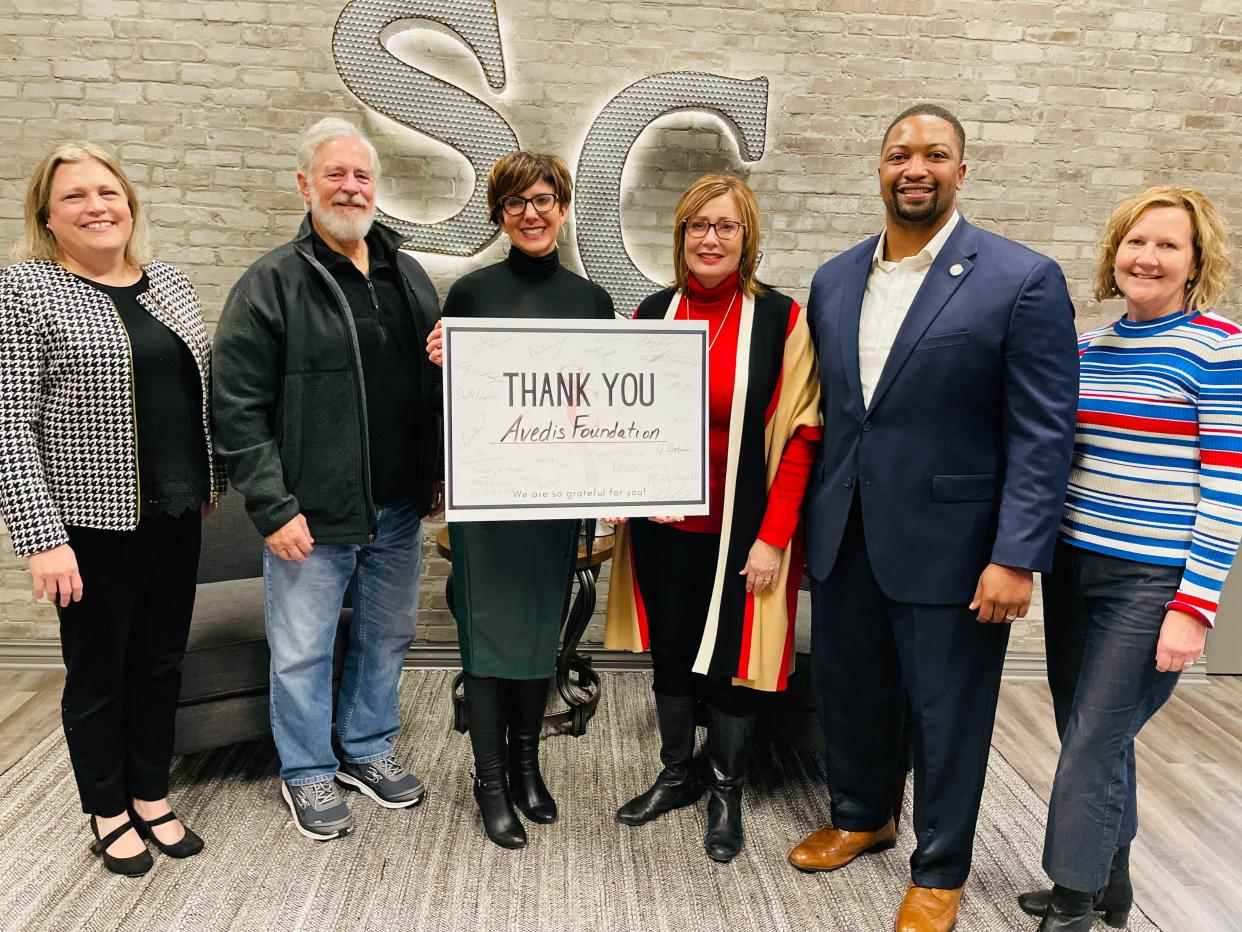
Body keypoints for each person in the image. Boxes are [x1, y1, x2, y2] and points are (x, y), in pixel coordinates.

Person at [791, 103, 1079, 932]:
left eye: (934, 155)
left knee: (949, 713)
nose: (914, 168)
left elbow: (1042, 431)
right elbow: (842, 414)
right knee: (851, 690)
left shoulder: (1019, 278)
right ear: (878, 168)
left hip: (957, 547)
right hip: (844, 532)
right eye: (898, 154)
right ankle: (861, 815)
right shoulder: (836, 277)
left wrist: (1017, 553)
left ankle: (940, 866)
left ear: (962, 170)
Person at [1017, 187, 1241, 932]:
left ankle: (1073, 904)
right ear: (1115, 254)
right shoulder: (1086, 347)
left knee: (1090, 743)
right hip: (1074, 569)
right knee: (1094, 733)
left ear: (1195, 262)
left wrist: (1195, 606)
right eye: (1135, 242)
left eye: (1168, 245)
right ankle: (1110, 882)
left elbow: (1228, 489)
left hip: (1151, 583)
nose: (1147, 257)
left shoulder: (1220, 347)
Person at [213, 118, 442, 841]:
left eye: (362, 176)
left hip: (398, 508)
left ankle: (366, 748)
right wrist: (273, 507)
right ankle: (308, 771)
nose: (350, 187)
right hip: (311, 515)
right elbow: (235, 407)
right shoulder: (271, 284)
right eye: (335, 174)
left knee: (387, 637)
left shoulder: (407, 274)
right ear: (305, 183)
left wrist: (435, 468)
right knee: (304, 649)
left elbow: (426, 385)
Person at [0, 142, 225, 875]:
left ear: (130, 203)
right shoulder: (25, 290)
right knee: (100, 673)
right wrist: (41, 538)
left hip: (176, 514)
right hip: (86, 528)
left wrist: (211, 480)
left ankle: (152, 794)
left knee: (161, 664)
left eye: (109, 191)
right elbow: (10, 422)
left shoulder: (171, 284)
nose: (98, 206)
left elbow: (200, 390)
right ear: (47, 216)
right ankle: (107, 808)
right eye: (76, 197)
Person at [603, 174, 823, 863]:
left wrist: (773, 539)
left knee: (732, 662)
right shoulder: (651, 312)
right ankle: (676, 772)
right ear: (681, 236)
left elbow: (802, 436)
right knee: (671, 652)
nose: (711, 238)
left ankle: (725, 787)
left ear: (746, 238)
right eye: (698, 225)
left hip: (744, 532)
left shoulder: (781, 321)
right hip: (664, 528)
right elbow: (617, 418)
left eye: (725, 226)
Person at [425, 151, 614, 849]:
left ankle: (530, 768)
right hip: (487, 498)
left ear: (563, 207)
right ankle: (492, 784)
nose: (531, 214)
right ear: (499, 216)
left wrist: (616, 483)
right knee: (488, 635)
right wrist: (441, 364)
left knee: (538, 634)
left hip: (554, 495)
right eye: (515, 204)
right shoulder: (470, 294)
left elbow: (601, 408)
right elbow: (450, 406)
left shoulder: (591, 303)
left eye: (543, 200)